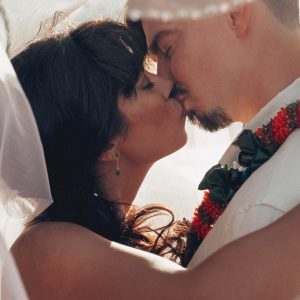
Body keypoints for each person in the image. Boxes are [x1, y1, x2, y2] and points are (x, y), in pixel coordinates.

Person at [9, 18, 300, 300]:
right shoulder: (42, 250)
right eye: (145, 85)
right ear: (106, 144)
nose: (167, 83)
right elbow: (205, 295)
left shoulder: (96, 241)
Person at [132, 0, 300, 266]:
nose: (163, 78)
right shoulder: (261, 166)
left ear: (233, 13)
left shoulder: (266, 208)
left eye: (168, 48)